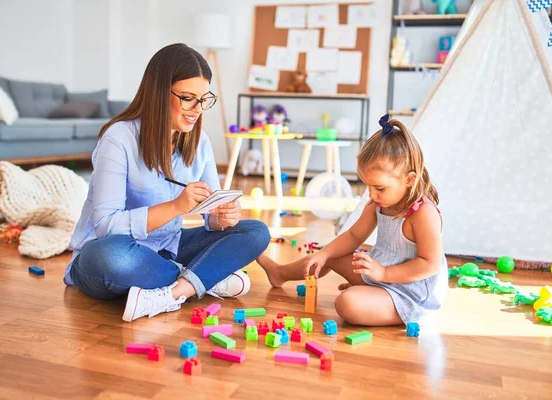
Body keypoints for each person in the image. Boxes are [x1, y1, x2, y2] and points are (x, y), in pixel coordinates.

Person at [63, 43, 270, 322]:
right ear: (160, 93)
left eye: (203, 99)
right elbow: (106, 226)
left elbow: (212, 219)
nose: (197, 109)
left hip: (167, 249)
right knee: (111, 258)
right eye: (188, 98)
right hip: (111, 254)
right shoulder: (119, 138)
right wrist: (176, 207)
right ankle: (204, 278)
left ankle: (176, 290)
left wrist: (224, 217)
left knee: (255, 231)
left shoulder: (200, 142)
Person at [258, 115, 448, 326]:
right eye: (368, 186)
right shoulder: (379, 202)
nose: (372, 194)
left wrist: (384, 273)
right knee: (331, 255)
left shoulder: (423, 214)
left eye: (380, 188)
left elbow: (430, 264)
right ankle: (279, 273)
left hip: (411, 294)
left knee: (347, 303)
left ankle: (369, 297)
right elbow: (354, 235)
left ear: (409, 179)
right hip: (380, 275)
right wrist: (323, 254)